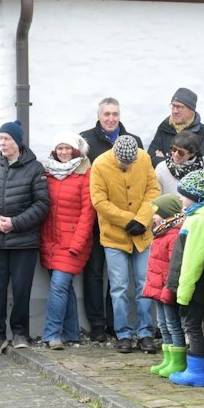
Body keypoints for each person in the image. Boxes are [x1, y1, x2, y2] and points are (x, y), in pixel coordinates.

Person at [0, 120, 49, 355]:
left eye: (7, 138)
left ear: (17, 141)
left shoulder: (35, 168)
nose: (2, 143)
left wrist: (15, 223)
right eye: (0, 138)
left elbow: (42, 204)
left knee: (21, 289)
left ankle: (19, 332)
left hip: (24, 242)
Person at [90, 131, 159, 354]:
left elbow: (153, 190)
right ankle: (123, 334)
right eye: (124, 163)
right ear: (115, 155)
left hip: (142, 233)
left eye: (131, 163)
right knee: (118, 288)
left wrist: (142, 219)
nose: (128, 166)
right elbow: (99, 200)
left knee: (144, 284)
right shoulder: (100, 164)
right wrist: (127, 220)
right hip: (113, 236)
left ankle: (146, 333)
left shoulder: (144, 158)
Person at [78, 99, 135, 342]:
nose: (111, 118)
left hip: (122, 222)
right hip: (95, 218)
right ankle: (97, 324)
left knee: (118, 276)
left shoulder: (131, 140)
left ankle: (115, 323)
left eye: (115, 114)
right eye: (106, 114)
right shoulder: (86, 140)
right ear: (99, 115)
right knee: (94, 272)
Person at [165, 165, 204, 387]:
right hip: (199, 283)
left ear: (195, 196)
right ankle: (198, 368)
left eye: (184, 195)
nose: (180, 198)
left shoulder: (198, 221)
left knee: (191, 324)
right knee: (196, 324)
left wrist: (183, 291)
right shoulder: (199, 216)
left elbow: (191, 259)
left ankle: (197, 371)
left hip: (195, 284)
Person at [37, 134, 94, 350]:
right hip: (50, 240)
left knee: (59, 286)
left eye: (67, 148)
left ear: (75, 150)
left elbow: (88, 213)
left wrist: (77, 244)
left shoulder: (84, 174)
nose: (63, 152)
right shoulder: (48, 173)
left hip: (72, 243)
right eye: (59, 148)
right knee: (65, 287)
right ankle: (72, 333)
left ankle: (52, 334)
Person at [141, 192, 188, 377]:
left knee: (173, 324)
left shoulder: (173, 235)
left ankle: (178, 361)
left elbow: (172, 266)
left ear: (168, 214)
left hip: (167, 289)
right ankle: (168, 359)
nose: (153, 216)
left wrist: (169, 289)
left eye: (157, 213)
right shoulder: (160, 232)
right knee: (162, 323)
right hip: (157, 288)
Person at [147, 87, 204, 169]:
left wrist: (164, 161)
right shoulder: (164, 127)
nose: (175, 111)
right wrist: (184, 162)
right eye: (173, 106)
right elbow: (150, 157)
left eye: (179, 107)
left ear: (191, 110)